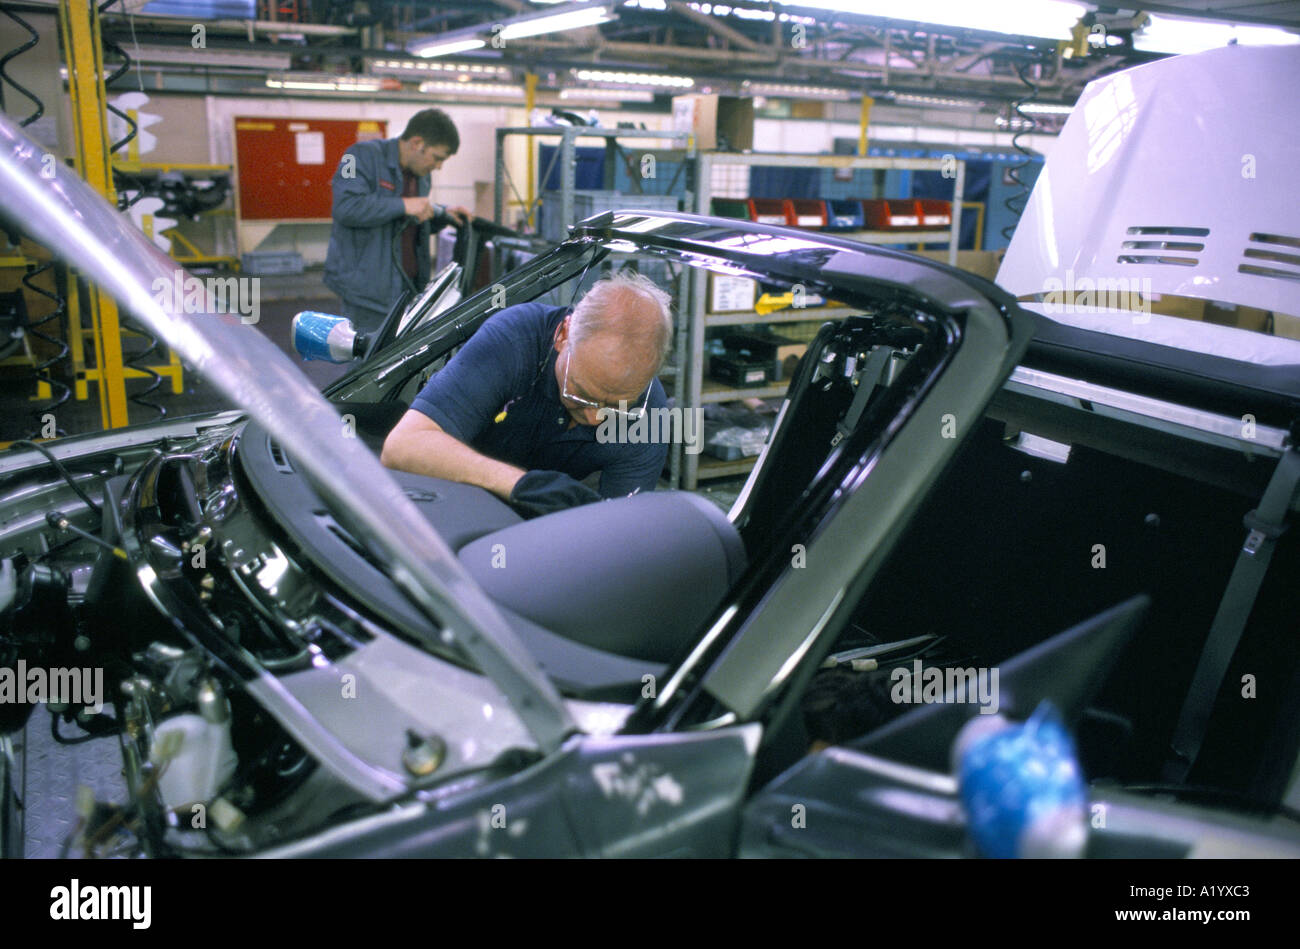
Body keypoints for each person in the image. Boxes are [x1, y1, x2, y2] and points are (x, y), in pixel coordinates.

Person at [380, 271, 673, 517]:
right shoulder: (513, 341)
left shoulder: (648, 415)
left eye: (615, 406)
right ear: (563, 335)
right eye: (583, 394)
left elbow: (619, 534)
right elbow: (402, 446)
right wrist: (528, 487)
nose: (596, 418)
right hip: (455, 493)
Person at [324, 108, 471, 333]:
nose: (438, 166)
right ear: (416, 143)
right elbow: (345, 207)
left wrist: (443, 213)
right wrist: (404, 205)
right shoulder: (355, 156)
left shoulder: (422, 175)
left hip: (409, 290)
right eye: (437, 158)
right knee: (369, 363)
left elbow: (407, 224)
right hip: (368, 294)